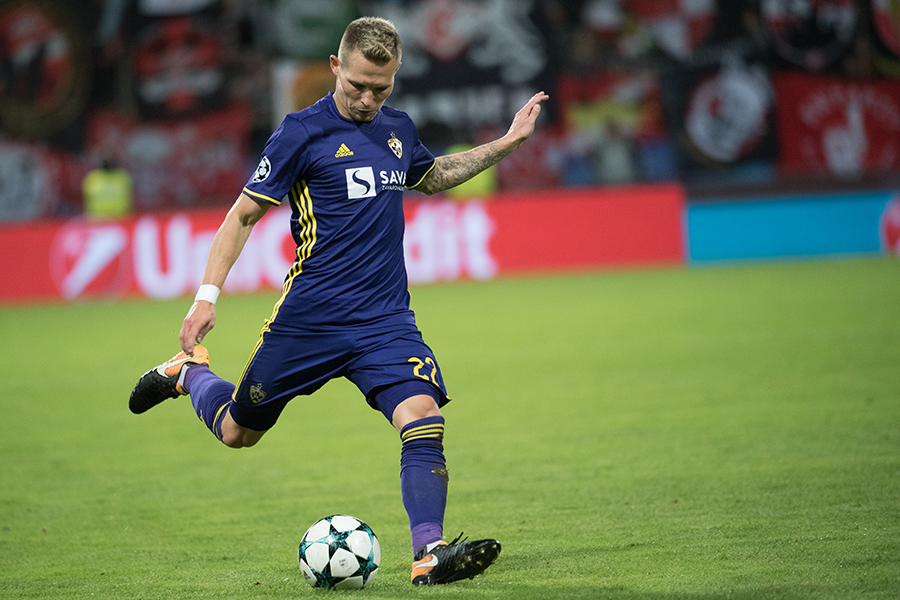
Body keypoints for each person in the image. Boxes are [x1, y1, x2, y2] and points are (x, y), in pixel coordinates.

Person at [129, 16, 548, 587]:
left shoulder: (397, 128)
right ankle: (188, 375)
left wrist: (508, 141)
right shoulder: (300, 133)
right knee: (237, 432)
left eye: (382, 87)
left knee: (423, 417)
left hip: (384, 321)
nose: (368, 99)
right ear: (335, 67)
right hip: (310, 321)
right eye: (357, 85)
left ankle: (429, 553)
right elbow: (242, 215)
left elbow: (432, 175)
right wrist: (206, 297)